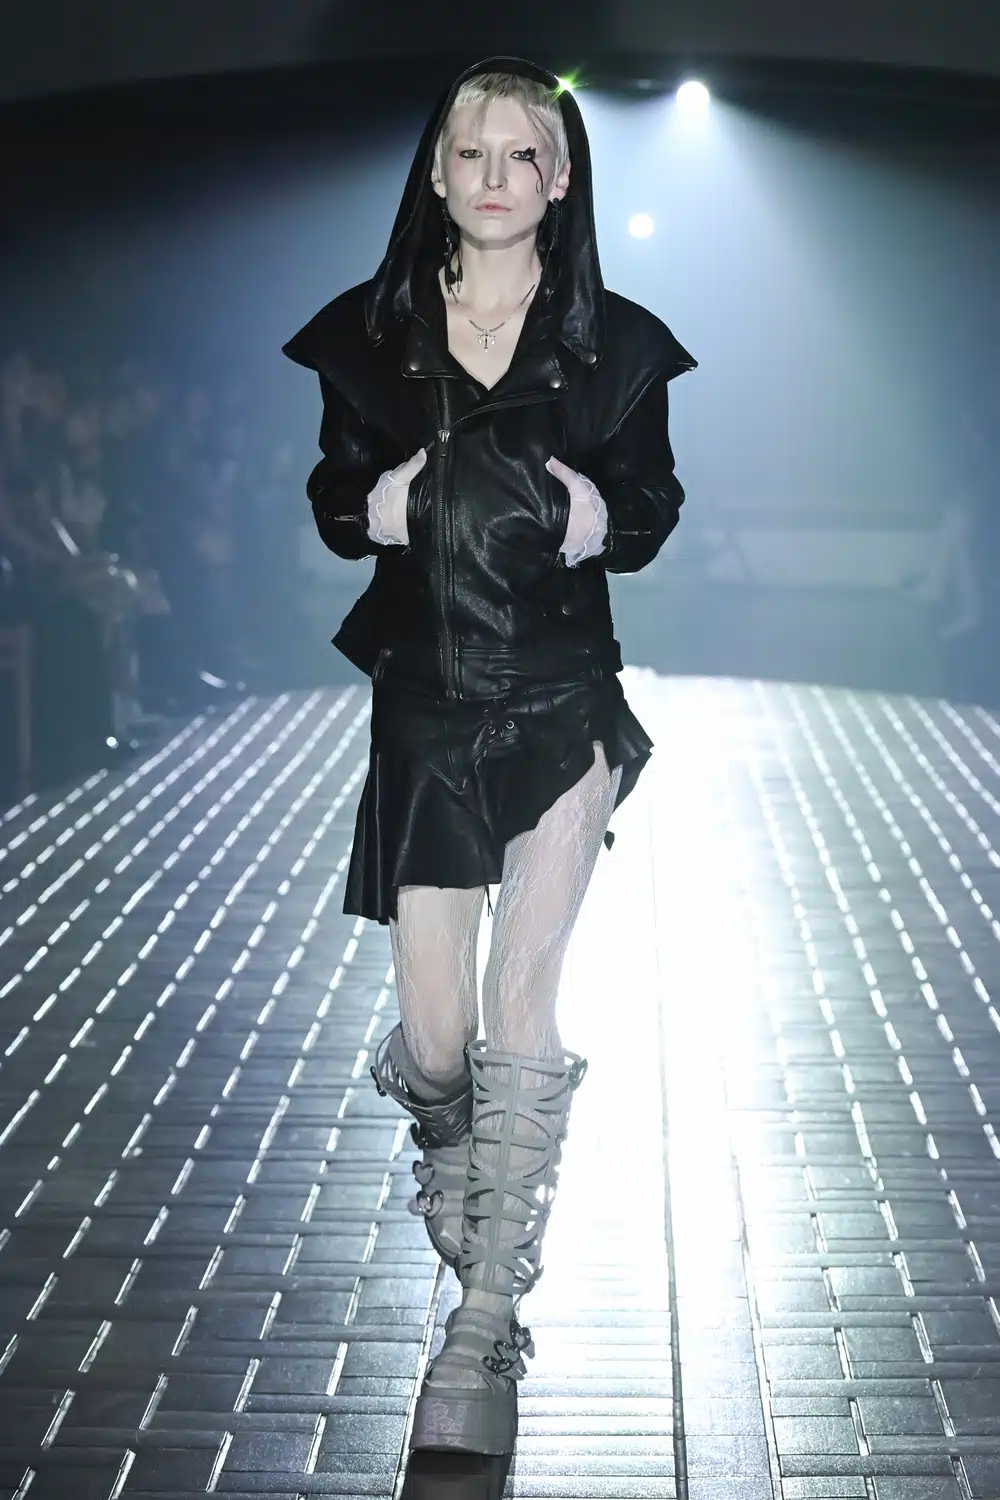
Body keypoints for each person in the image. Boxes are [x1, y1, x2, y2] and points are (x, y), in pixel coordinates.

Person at [282, 56, 696, 1456]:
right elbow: (334, 492)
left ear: (561, 177)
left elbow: (652, 502)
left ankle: (479, 1330)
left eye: (525, 154)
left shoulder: (615, 346)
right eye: (474, 154)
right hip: (423, 699)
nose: (498, 177)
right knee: (434, 1035)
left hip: (562, 695)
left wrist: (594, 512)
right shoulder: (374, 335)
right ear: (439, 172)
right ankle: (459, 1156)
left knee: (524, 1002)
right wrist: (380, 503)